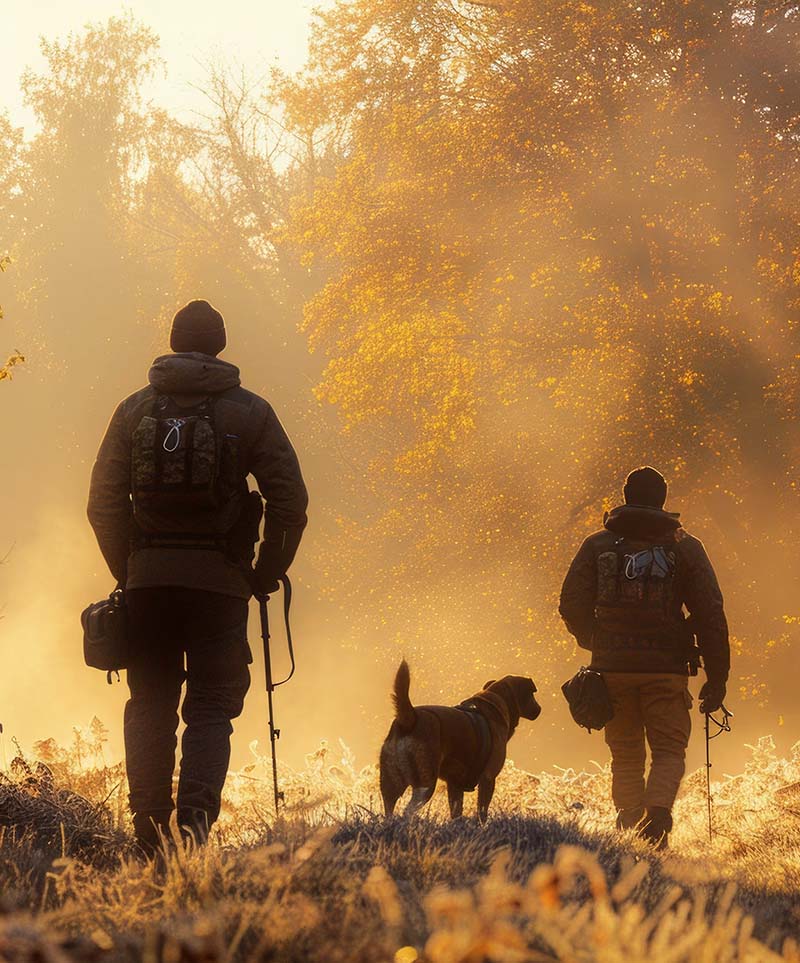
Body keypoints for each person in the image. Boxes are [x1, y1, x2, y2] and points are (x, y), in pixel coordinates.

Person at [87, 299, 308, 854]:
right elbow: (290, 501)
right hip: (221, 587)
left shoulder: (134, 410)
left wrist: (129, 569)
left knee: (151, 701)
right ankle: (192, 832)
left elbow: (103, 503)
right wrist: (264, 572)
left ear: (173, 340)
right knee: (211, 706)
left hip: (148, 587)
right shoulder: (251, 412)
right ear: (220, 346)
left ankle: (149, 833)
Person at [559, 466, 729, 848]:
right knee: (669, 749)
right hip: (666, 671)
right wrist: (718, 678)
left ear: (626, 495)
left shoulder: (597, 545)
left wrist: (596, 641)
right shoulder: (685, 547)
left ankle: (630, 834)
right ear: (663, 499)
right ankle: (657, 818)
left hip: (611, 671)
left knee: (626, 753)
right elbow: (710, 613)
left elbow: (570, 603)